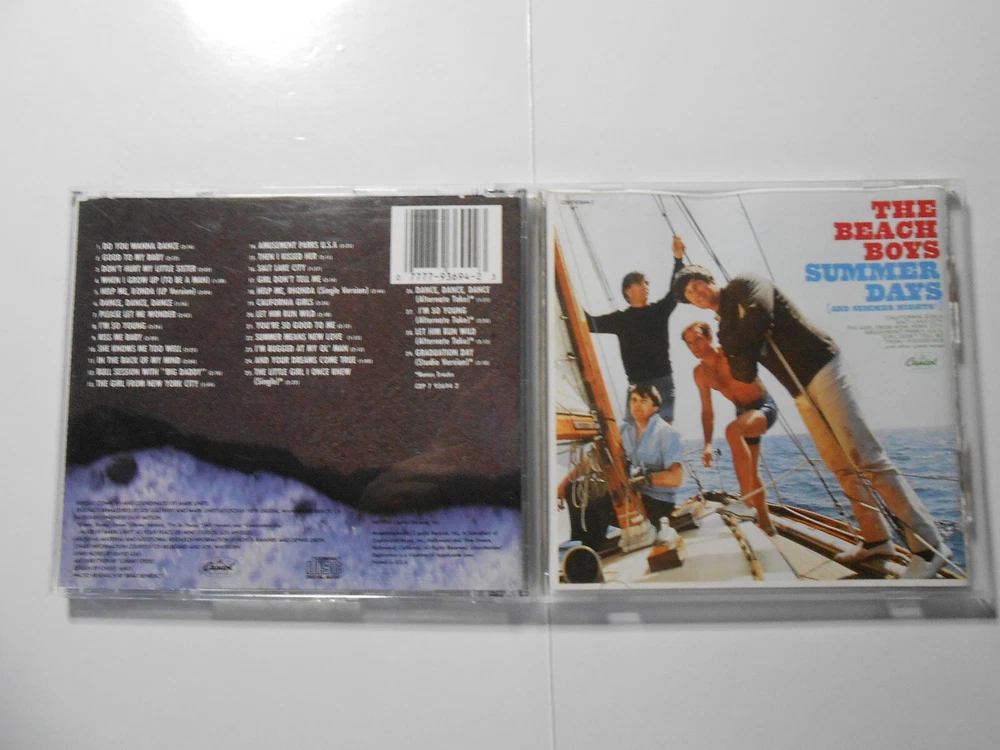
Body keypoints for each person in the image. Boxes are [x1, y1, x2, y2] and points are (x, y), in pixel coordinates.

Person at [672, 266, 950, 578]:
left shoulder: (744, 284)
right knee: (839, 464)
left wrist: (740, 343)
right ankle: (877, 540)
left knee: (865, 457)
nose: (697, 294)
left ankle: (929, 548)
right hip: (799, 389)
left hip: (822, 367)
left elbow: (761, 313)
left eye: (698, 284)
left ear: (711, 280)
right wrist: (742, 340)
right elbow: (744, 373)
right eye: (690, 294)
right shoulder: (724, 327)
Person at [681, 321, 778, 536]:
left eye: (698, 339)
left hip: (763, 406)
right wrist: (707, 444)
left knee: (732, 431)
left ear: (710, 337)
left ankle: (746, 503)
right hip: (742, 414)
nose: (695, 346)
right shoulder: (700, 374)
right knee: (751, 472)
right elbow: (707, 411)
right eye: (690, 343)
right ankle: (766, 524)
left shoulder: (729, 353)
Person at [585, 235, 686, 422]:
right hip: (636, 386)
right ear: (627, 290)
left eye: (647, 283)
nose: (645, 286)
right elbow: (588, 323)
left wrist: (678, 260)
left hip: (663, 383)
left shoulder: (659, 311)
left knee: (663, 433)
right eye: (639, 283)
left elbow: (675, 291)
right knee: (633, 434)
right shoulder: (620, 319)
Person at [619, 384, 685, 533]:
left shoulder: (667, 434)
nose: (637, 404)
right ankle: (585, 544)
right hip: (632, 498)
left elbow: (676, 478)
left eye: (643, 400)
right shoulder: (622, 431)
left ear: (655, 407)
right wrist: (565, 484)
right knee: (580, 491)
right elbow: (595, 455)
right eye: (634, 400)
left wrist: (645, 479)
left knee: (602, 505)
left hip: (658, 503)